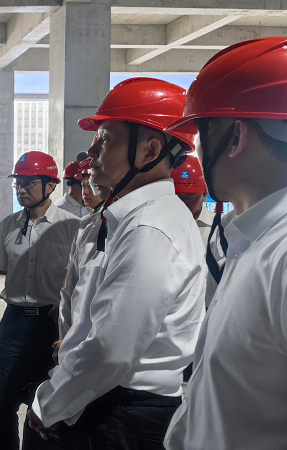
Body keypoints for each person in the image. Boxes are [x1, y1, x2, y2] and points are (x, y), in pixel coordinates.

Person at [27, 78, 205, 450]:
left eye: (105, 138)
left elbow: (110, 350)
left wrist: (51, 405)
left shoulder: (150, 228)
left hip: (122, 413)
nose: (91, 150)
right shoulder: (125, 220)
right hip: (102, 398)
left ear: (149, 150)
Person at [162, 37, 287, 450]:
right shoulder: (251, 239)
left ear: (235, 136)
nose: (196, 150)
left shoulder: (280, 255)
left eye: (200, 131)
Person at [0, 151, 78, 450]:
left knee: (42, 403)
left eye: (29, 183)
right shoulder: (7, 225)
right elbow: (5, 268)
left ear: (51, 185)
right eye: (18, 183)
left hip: (50, 325)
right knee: (3, 400)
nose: (22, 189)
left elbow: (77, 275)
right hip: (13, 322)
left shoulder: (72, 226)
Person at [170, 155, 222, 309]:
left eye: (189, 197)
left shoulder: (219, 230)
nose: (182, 204)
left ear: (205, 194)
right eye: (176, 197)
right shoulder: (156, 226)